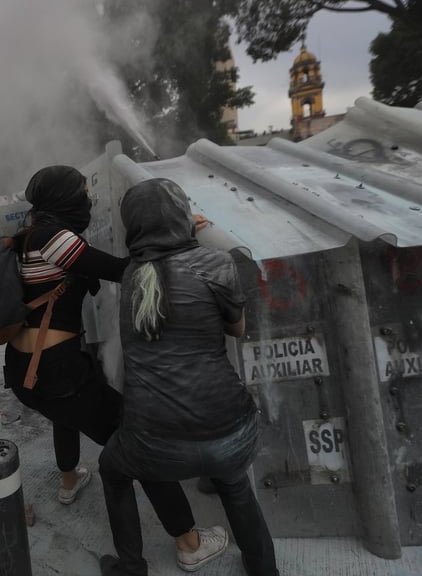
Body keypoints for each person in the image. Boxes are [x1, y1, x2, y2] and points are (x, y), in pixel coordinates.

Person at [98, 178, 279, 576]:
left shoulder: (132, 277)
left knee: (112, 469)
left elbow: (158, 270)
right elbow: (237, 328)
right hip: (231, 432)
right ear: (183, 217)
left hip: (154, 446)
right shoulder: (219, 263)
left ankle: (130, 567)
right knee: (236, 487)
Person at [2, 165, 129, 504]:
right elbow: (120, 270)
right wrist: (173, 237)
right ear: (67, 198)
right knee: (128, 432)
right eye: (84, 194)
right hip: (56, 368)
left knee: (65, 414)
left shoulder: (28, 236)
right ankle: (186, 538)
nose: (88, 200)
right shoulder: (56, 239)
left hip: (21, 368)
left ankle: (69, 483)